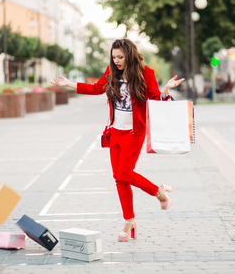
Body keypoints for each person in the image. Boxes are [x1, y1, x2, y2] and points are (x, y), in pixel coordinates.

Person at [50, 39, 184, 242]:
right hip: (115, 132)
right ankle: (129, 221)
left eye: (120, 57)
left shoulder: (145, 73)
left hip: (134, 133)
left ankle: (159, 192)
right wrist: (69, 84)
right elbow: (97, 88)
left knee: (124, 173)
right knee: (119, 178)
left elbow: (155, 100)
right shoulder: (112, 72)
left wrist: (166, 90)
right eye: (114, 57)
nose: (117, 61)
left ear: (129, 55)